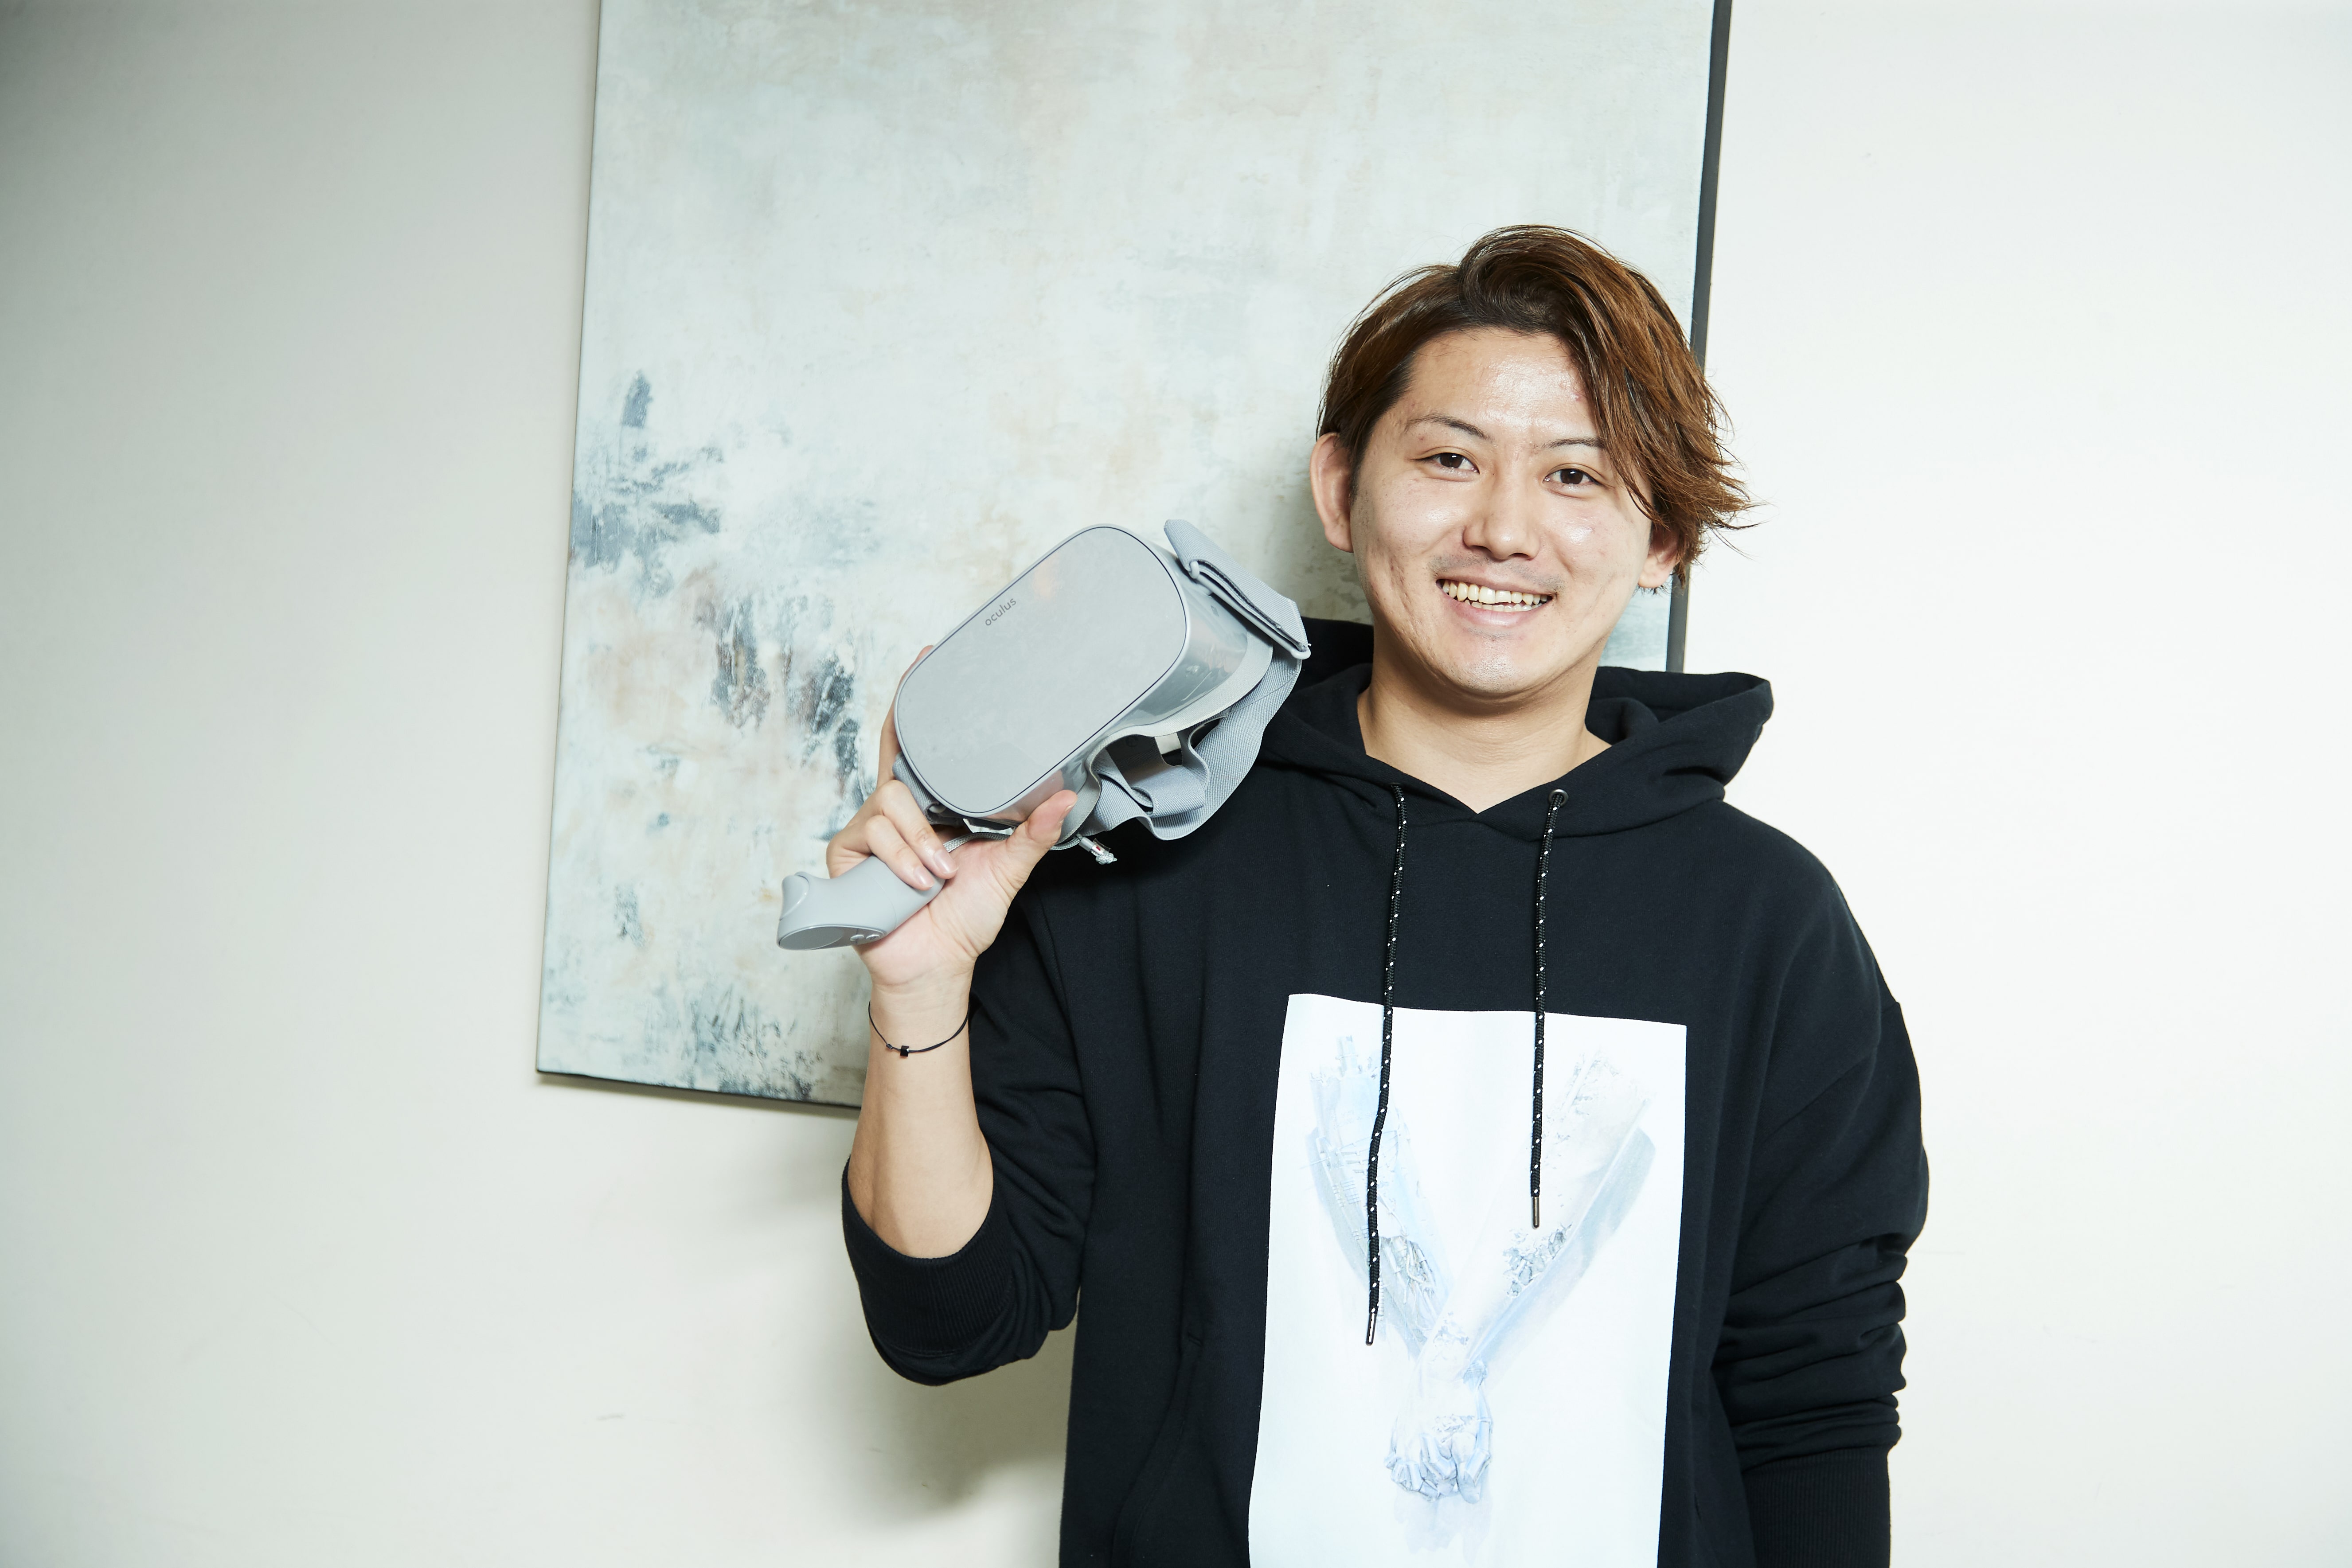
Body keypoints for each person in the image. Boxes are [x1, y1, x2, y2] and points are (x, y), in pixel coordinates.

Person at [832, 225, 1926, 1568]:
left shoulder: (1768, 923)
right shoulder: (1146, 868)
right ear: (1341, 489)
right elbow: (950, 1321)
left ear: (1661, 539)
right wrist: (920, 988)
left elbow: (1813, 1400)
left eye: (1575, 474)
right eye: (1449, 458)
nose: (1502, 528)